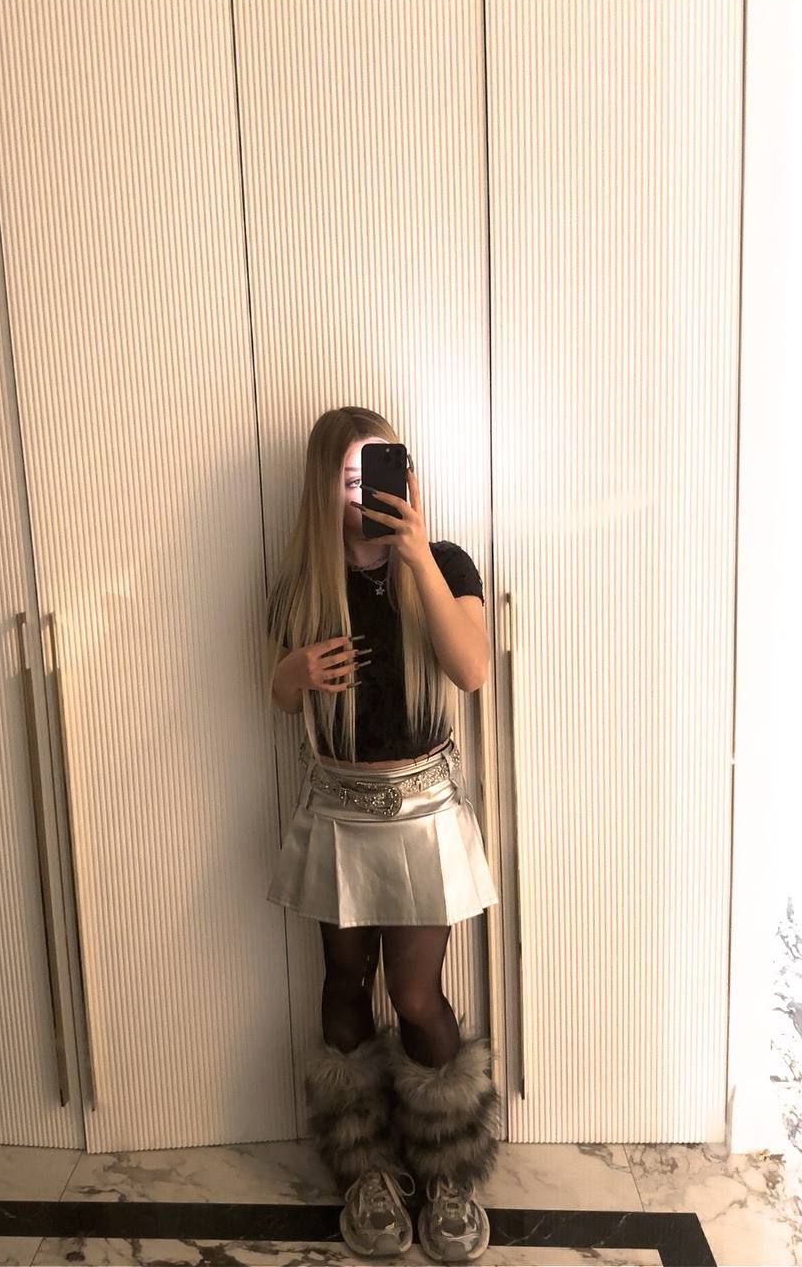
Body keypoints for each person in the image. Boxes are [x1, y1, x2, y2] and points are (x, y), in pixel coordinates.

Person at [262, 406, 502, 1261]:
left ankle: (448, 1169)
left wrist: (417, 556)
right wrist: (291, 674)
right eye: (350, 475)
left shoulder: (445, 562)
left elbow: (472, 669)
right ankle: (365, 1169)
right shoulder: (302, 585)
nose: (367, 490)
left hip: (424, 812)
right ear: (323, 486)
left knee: (415, 995)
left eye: (381, 469)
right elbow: (282, 700)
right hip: (338, 810)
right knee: (343, 980)